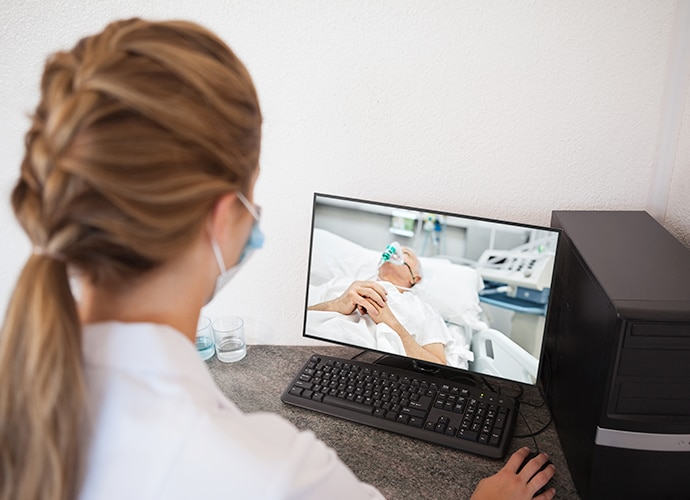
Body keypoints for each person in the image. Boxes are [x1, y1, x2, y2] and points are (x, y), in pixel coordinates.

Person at [0, 18, 555, 500]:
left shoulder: (27, 385)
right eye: (251, 196)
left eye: (403, 257)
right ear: (221, 216)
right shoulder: (278, 474)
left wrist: (392, 321)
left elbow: (438, 354)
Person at [308, 245, 451, 365]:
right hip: (313, 349)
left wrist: (390, 322)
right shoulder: (343, 284)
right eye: (392, 249)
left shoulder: (424, 310)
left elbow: (438, 366)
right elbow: (297, 318)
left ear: (415, 278)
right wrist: (335, 304)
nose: (394, 252)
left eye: (405, 253)